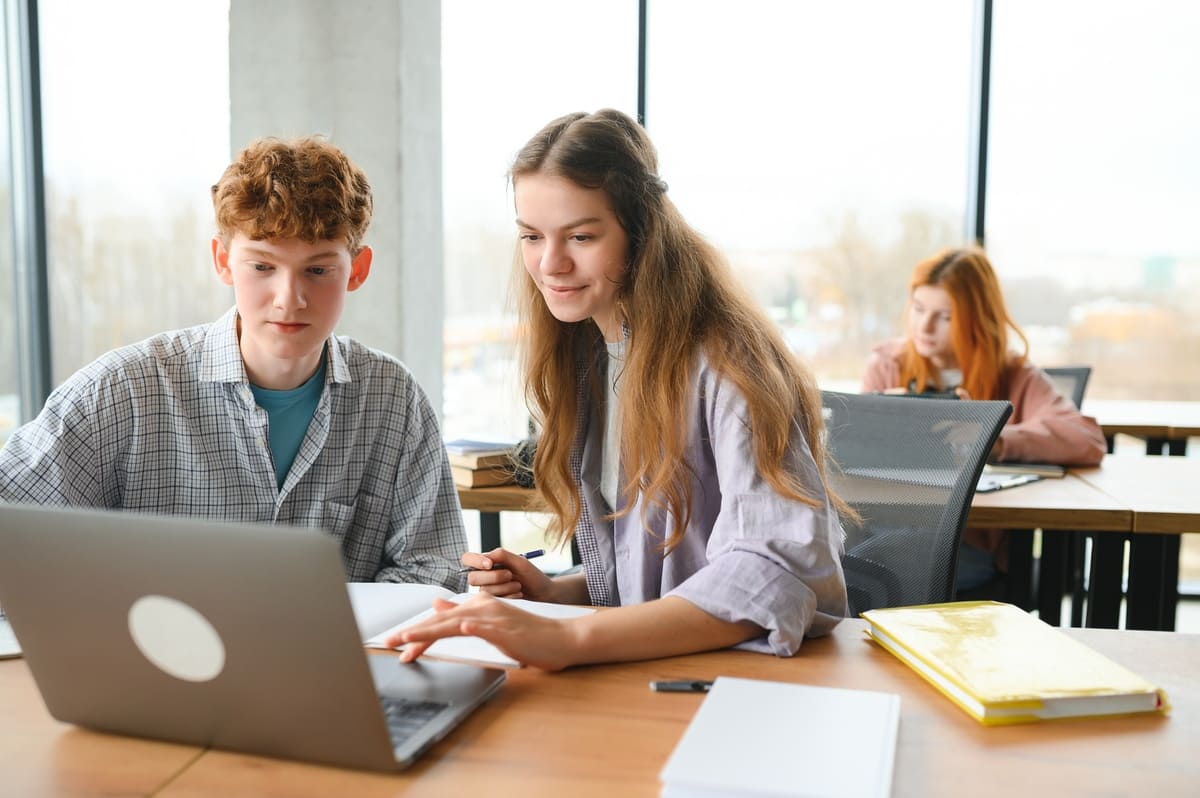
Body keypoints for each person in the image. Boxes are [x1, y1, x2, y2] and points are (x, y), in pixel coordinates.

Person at [388, 109, 849, 671]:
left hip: (736, 688)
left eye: (581, 236)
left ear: (641, 231)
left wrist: (569, 640)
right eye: (532, 236)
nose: (551, 263)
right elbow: (661, 571)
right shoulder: (590, 357)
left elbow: (777, 569)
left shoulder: (728, 361)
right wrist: (557, 595)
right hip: (652, 674)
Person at [0, 136, 466, 588]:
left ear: (357, 271)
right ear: (223, 261)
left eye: (318, 270)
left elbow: (436, 573)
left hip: (342, 666)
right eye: (262, 267)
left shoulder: (392, 398)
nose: (290, 299)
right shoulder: (124, 390)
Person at [861, 246, 1106, 589]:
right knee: (864, 559)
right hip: (885, 528)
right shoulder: (888, 365)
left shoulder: (1014, 375)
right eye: (918, 309)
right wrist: (881, 418)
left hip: (964, 545)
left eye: (945, 316)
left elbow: (1087, 439)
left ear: (977, 319)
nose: (925, 326)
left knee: (866, 568)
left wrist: (993, 438)